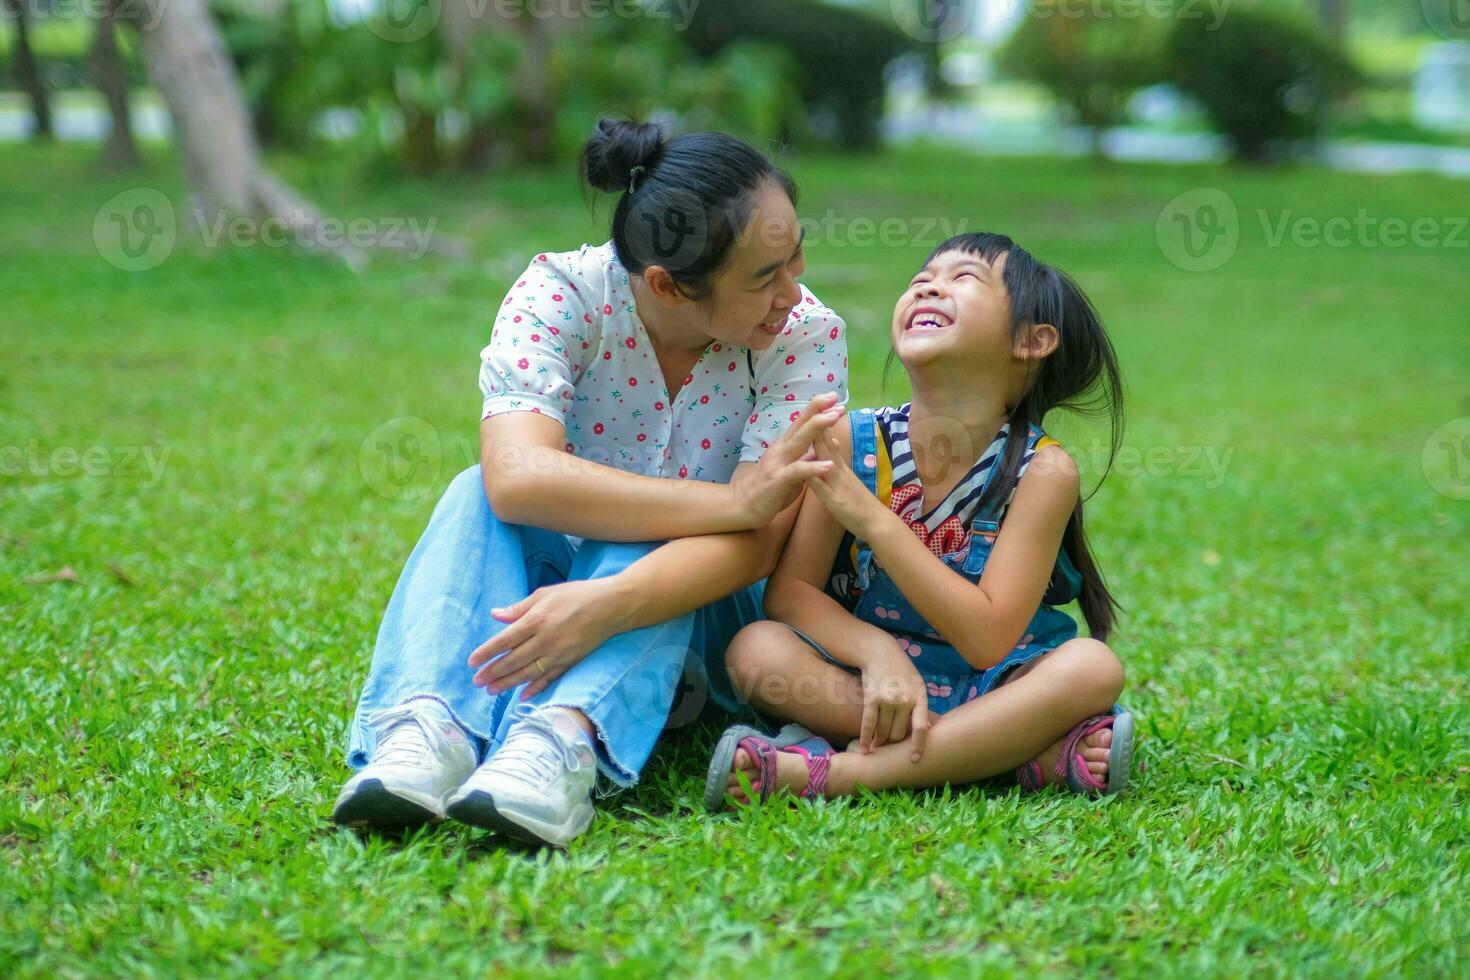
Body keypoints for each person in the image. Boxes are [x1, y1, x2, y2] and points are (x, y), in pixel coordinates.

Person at [333, 119, 849, 847]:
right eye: (766, 278)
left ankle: (557, 743)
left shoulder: (805, 336)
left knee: (676, 530)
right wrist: (732, 499)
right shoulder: (562, 293)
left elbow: (757, 545)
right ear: (666, 285)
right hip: (555, 597)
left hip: (707, 623)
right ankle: (429, 731)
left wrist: (606, 605)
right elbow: (516, 479)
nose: (793, 293)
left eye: (795, 258)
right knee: (473, 489)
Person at [706, 231, 1134, 808]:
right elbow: (791, 595)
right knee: (755, 650)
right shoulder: (848, 440)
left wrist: (874, 518)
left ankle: (835, 774)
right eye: (921, 279)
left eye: (964, 278)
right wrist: (876, 653)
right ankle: (1006, 751)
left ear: (1032, 341)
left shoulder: (1044, 470)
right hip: (870, 682)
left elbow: (986, 639)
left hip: (997, 680)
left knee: (1092, 667)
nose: (929, 285)